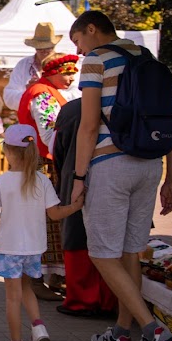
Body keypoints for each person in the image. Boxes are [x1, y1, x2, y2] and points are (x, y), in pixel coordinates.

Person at [69, 10, 172, 341]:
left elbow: (88, 127)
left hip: (109, 164)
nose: (79, 49)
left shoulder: (96, 60)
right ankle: (121, 333)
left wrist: (79, 176)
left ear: (90, 29)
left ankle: (153, 330)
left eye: (78, 41)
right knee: (131, 250)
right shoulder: (148, 59)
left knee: (102, 254)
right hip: (150, 164)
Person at [0, 124, 84, 341]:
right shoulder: (42, 181)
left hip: (10, 249)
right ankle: (39, 328)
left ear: (8, 152)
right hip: (34, 249)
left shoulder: (2, 182)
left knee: (12, 299)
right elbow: (54, 214)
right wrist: (75, 207)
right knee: (28, 288)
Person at [16, 53, 80, 299]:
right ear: (51, 72)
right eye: (66, 72)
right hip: (42, 164)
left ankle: (54, 275)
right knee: (43, 221)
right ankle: (35, 280)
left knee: (48, 221)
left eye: (73, 72)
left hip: (42, 162)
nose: (71, 77)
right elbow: (50, 134)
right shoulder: (43, 94)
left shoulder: (46, 92)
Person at [52, 99, 117, 317]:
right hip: (119, 180)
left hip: (76, 176)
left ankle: (82, 300)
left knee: (77, 233)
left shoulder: (72, 109)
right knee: (113, 239)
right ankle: (112, 300)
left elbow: (58, 149)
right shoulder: (127, 102)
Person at [3, 23, 79, 110]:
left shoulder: (66, 64)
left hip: (61, 118)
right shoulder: (23, 65)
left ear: (54, 46)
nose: (44, 51)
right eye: (39, 47)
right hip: (29, 120)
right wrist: (29, 93)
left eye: (48, 47)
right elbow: (9, 97)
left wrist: (46, 93)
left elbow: (78, 93)